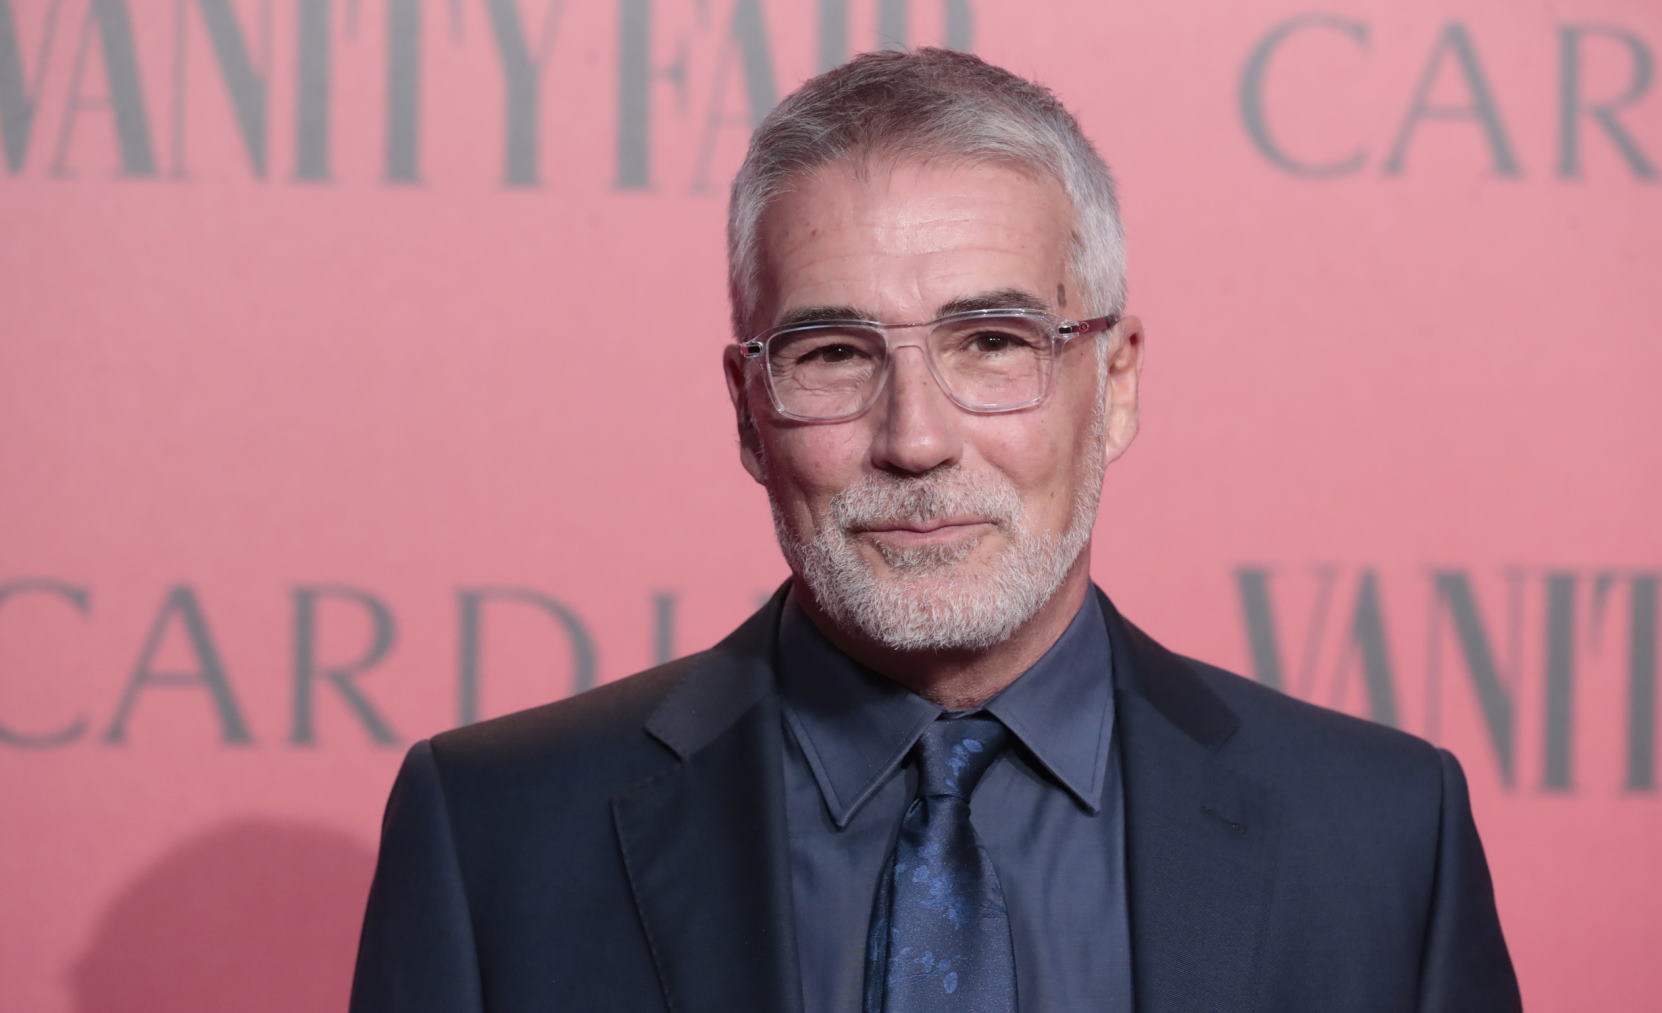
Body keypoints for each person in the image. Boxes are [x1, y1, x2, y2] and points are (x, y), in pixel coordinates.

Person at [350, 48, 1520, 1012]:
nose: (915, 439)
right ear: (749, 411)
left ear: (1114, 385)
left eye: (993, 343)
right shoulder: (498, 831)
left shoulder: (1379, 835)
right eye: (834, 354)